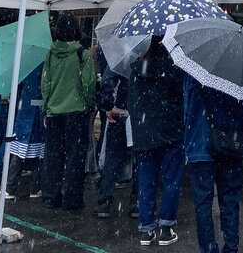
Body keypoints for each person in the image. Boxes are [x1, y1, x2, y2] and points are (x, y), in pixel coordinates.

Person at [183, 74, 243, 253]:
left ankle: (208, 249)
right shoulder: (240, 73)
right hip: (230, 145)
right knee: (230, 201)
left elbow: (187, 107)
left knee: (203, 204)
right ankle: (231, 248)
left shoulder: (194, 70)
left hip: (200, 142)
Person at [129, 37, 185, 247]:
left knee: (146, 181)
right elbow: (181, 99)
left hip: (145, 134)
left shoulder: (136, 70)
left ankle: (146, 229)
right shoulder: (173, 69)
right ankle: (166, 228)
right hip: (172, 132)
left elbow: (131, 103)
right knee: (171, 180)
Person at [41, 14, 96, 211]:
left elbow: (45, 83)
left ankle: (51, 195)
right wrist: (89, 103)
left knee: (53, 155)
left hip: (54, 111)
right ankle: (72, 199)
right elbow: (88, 84)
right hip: (76, 111)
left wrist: (47, 107)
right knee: (75, 156)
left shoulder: (51, 53)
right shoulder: (82, 54)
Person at [0, 64, 45, 199]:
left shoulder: (25, 62)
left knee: (17, 148)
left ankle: (6, 184)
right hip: (37, 110)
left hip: (24, 108)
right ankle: (34, 187)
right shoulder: (42, 62)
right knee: (38, 151)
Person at [93, 68, 136, 218]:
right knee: (141, 161)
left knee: (112, 159)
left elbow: (107, 81)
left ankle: (104, 201)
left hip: (119, 112)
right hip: (139, 113)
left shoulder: (120, 60)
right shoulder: (148, 58)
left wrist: (109, 106)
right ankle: (137, 202)